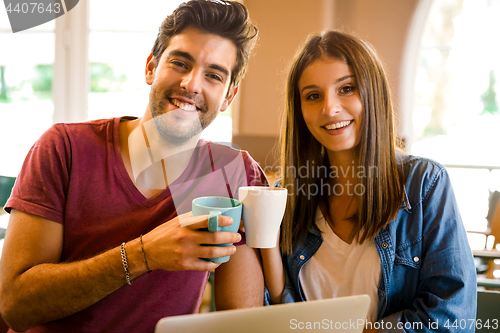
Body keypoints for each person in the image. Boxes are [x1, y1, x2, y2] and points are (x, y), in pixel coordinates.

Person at [0, 1, 267, 332]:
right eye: (180, 63)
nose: (192, 84)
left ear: (229, 96)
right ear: (151, 68)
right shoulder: (62, 148)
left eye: (214, 75)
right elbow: (15, 305)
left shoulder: (235, 174)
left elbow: (241, 322)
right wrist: (143, 255)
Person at [261, 30, 477, 332]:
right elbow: (271, 313)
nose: (329, 108)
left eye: (346, 88)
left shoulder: (425, 183)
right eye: (313, 96)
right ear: (300, 111)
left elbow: (452, 313)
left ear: (373, 93)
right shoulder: (284, 197)